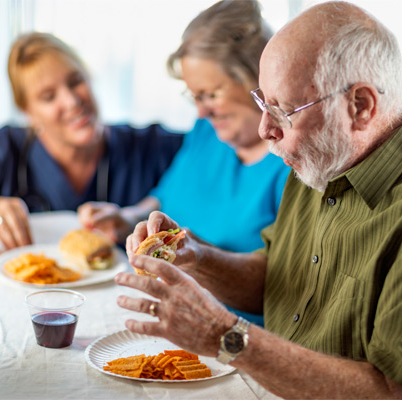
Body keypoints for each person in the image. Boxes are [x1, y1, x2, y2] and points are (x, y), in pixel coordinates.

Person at [116, 1, 402, 398]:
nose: (266, 131)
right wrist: (197, 254)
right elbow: (278, 277)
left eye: (283, 112)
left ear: (361, 105)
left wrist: (225, 336)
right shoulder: (324, 152)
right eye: (262, 104)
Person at [79, 0, 290, 326]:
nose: (201, 111)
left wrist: (197, 256)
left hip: (231, 335)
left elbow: (277, 287)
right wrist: (127, 217)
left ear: (257, 80)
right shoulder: (207, 133)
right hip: (166, 312)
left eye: (210, 94)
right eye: (193, 96)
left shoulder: (293, 165)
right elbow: (165, 198)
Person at [0, 32, 183, 249]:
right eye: (48, 97)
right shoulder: (0, 154)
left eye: (76, 81)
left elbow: (213, 143)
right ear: (28, 112)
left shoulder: (148, 146)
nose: (72, 101)